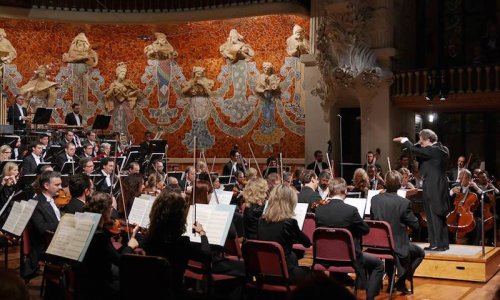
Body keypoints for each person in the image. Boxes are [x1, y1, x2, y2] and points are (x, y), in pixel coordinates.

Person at [315, 177, 384, 300]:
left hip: (325, 257)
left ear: (330, 192)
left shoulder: (319, 210)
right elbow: (365, 230)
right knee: (378, 264)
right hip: (349, 257)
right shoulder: (350, 211)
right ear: (345, 191)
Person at [144, 190, 211, 298]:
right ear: (179, 217)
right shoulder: (182, 243)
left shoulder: (148, 239)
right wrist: (202, 234)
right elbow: (207, 255)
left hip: (152, 292)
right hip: (175, 293)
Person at [394, 129, 450, 251]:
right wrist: (417, 145)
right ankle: (438, 243)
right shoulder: (439, 149)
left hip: (434, 186)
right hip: (435, 185)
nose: (421, 143)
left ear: (429, 140)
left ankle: (438, 244)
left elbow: (415, 150)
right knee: (433, 214)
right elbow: (418, 152)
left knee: (435, 213)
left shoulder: (435, 150)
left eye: (422, 141)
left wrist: (405, 141)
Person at [371, 170, 424, 295]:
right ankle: (401, 280)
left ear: (385, 183)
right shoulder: (404, 203)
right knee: (420, 253)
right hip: (396, 245)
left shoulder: (375, 200)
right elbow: (416, 225)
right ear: (400, 185)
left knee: (392, 248)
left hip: (379, 244)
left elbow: (374, 220)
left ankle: (392, 283)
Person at [80, 192, 139, 299]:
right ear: (107, 211)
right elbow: (120, 261)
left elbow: (108, 252)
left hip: (84, 277)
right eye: (112, 207)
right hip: (100, 283)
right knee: (134, 275)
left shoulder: (86, 225)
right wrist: (130, 246)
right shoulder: (99, 236)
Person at [258, 184, 311, 283]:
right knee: (313, 275)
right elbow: (307, 243)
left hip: (265, 271)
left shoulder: (261, 221)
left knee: (293, 256)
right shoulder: (289, 222)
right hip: (284, 272)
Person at [23, 171, 62, 279]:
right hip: (45, 244)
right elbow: (42, 228)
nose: (61, 187)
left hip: (55, 238)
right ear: (46, 185)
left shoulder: (52, 200)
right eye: (57, 185)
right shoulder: (36, 202)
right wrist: (63, 224)